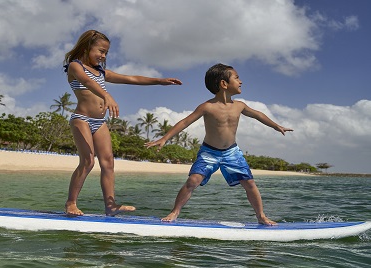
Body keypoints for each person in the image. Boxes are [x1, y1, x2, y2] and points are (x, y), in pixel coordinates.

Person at [145, 63, 293, 224]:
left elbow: (258, 115)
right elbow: (185, 122)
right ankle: (174, 212)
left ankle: (261, 216)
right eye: (236, 78)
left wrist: (276, 126)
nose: (241, 81)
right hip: (209, 152)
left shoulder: (239, 105)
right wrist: (164, 138)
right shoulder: (207, 107)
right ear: (224, 84)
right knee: (192, 181)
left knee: (249, 183)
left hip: (232, 152)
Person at [63, 29, 182, 216]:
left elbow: (131, 78)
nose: (103, 56)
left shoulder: (102, 73)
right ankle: (71, 203)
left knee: (108, 163)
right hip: (82, 119)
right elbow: (87, 82)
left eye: (106, 53)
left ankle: (111, 206)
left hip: (99, 121)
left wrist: (159, 81)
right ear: (87, 47)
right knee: (87, 161)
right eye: (100, 51)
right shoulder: (75, 67)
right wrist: (106, 95)